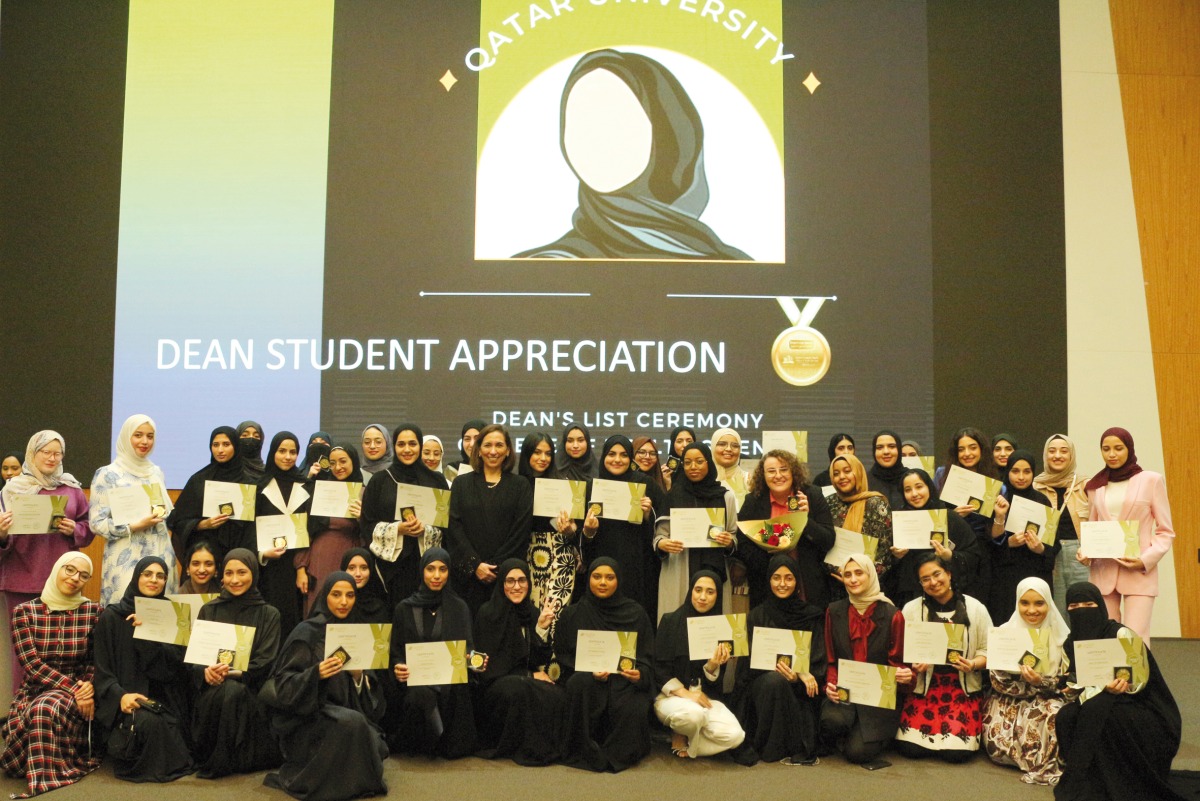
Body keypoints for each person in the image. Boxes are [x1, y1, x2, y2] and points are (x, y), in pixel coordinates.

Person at [513, 48, 749, 260]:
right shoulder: (541, 270)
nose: (594, 138)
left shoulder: (734, 271)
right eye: (580, 119)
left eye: (616, 118)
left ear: (666, 133)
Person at [264, 571, 388, 801]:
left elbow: (374, 696)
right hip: (310, 715)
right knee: (352, 725)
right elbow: (283, 683)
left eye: (350, 595)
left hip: (347, 708)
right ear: (325, 597)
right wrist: (315, 674)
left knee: (374, 742)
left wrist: (359, 677)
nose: (343, 602)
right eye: (336, 595)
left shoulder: (359, 632)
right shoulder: (307, 632)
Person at [1055, 581, 1184, 801]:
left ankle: (1121, 779)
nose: (1081, 611)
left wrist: (1120, 687)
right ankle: (1087, 779)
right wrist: (1071, 687)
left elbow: (1142, 681)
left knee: (1105, 714)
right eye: (1074, 607)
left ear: (1101, 607)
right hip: (1096, 699)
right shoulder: (1070, 643)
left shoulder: (1122, 634)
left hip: (1140, 703)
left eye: (1088, 604)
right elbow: (1074, 681)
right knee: (1066, 716)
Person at [0, 552, 102, 797]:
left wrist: (87, 686)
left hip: (73, 698)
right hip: (35, 689)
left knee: (45, 708)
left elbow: (94, 660)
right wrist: (78, 689)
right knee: (15, 763)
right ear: (57, 568)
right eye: (69, 570)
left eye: (83, 575)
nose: (75, 578)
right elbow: (32, 664)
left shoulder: (93, 611)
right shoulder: (25, 612)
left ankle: (44, 779)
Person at [0, 431, 94, 692]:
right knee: (24, 656)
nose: (52, 458)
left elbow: (88, 530)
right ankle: (23, 713)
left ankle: (57, 708)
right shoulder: (12, 489)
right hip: (22, 581)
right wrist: (2, 533)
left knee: (65, 650)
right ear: (33, 453)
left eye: (57, 453)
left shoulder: (73, 489)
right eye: (46, 452)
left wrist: (73, 529)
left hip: (65, 582)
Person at [93, 555, 195, 782]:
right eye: (147, 574)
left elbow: (176, 667)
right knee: (149, 724)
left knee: (176, 725)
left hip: (166, 692)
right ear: (136, 577)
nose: (154, 580)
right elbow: (102, 671)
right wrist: (121, 696)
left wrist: (149, 636)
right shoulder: (112, 616)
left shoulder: (173, 614)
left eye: (160, 576)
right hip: (127, 696)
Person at [555, 557, 656, 772]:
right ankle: (582, 749)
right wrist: (588, 670)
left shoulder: (635, 613)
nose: (602, 582)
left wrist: (640, 674)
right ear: (588, 579)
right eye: (597, 577)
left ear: (618, 581)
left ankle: (616, 754)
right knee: (578, 683)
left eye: (609, 578)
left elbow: (647, 657)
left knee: (634, 703)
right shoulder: (573, 613)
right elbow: (564, 655)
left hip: (624, 679)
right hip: (587, 677)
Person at [192, 548, 282, 778]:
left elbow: (266, 661)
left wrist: (234, 674)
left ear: (253, 573)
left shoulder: (269, 614)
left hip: (251, 689)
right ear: (221, 576)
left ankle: (220, 760)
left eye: (242, 572)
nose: (234, 579)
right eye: (229, 573)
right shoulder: (209, 609)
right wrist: (205, 672)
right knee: (225, 692)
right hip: (212, 686)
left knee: (232, 691)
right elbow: (195, 658)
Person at [1080, 427, 1173, 643]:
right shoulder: (1096, 486)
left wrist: (1144, 560)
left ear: (1129, 449)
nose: (1112, 454)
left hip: (1139, 571)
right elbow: (1093, 527)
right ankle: (1112, 679)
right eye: (1106, 449)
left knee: (1135, 638)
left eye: (1118, 448)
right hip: (1103, 570)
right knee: (1107, 636)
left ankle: (1139, 679)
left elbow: (1165, 531)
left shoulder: (1151, 480)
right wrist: (1086, 552)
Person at [895, 554, 992, 762]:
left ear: (949, 574)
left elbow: (988, 650)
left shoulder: (976, 609)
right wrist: (914, 664)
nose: (933, 582)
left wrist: (973, 664)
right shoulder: (911, 610)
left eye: (937, 574)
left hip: (961, 688)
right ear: (920, 584)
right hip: (925, 687)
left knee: (956, 754)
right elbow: (901, 651)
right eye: (925, 579)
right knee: (909, 749)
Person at [735, 555, 826, 765]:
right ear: (768, 580)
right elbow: (746, 667)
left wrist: (798, 675)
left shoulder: (811, 616)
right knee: (774, 681)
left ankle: (791, 743)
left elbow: (818, 662)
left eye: (788, 578)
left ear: (797, 582)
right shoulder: (756, 615)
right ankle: (771, 746)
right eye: (776, 577)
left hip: (799, 690)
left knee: (785, 683)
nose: (782, 584)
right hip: (763, 685)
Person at [473, 559, 565, 765]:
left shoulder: (530, 612)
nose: (517, 586)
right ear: (501, 584)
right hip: (494, 686)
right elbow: (489, 668)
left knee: (557, 693)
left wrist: (541, 628)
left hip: (524, 679)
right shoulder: (488, 614)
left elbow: (537, 659)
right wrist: (530, 675)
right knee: (520, 687)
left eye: (522, 580)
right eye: (510, 581)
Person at [388, 548, 478, 758]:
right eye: (430, 569)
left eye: (442, 569)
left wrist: (473, 660)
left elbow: (469, 648)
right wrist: (398, 667)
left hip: (449, 680)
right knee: (422, 695)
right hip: (416, 681)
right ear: (422, 571)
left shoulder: (459, 607)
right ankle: (427, 744)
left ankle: (449, 744)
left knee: (457, 688)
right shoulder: (404, 608)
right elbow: (396, 652)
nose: (437, 576)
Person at [821, 554, 910, 765]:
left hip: (877, 697)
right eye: (848, 574)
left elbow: (898, 662)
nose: (853, 579)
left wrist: (904, 674)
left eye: (859, 573)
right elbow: (831, 658)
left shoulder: (892, 614)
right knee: (830, 722)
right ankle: (852, 726)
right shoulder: (834, 611)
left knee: (857, 753)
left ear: (870, 575)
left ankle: (863, 732)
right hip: (846, 691)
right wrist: (830, 684)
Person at [981, 577, 1071, 785]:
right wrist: (1028, 684)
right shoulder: (1004, 633)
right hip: (1008, 699)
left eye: (1039, 603)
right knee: (999, 746)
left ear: (1049, 603)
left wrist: (1040, 682)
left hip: (1046, 698)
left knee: (1054, 713)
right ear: (1016, 603)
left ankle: (1042, 763)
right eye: (1025, 603)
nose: (1032, 610)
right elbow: (996, 681)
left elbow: (1065, 683)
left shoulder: (1060, 638)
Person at [653, 569, 745, 759]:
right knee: (693, 715)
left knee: (736, 736)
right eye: (698, 590)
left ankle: (693, 744)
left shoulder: (722, 627)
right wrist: (686, 694)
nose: (702, 597)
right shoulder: (670, 621)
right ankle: (682, 731)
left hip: (704, 699)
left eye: (710, 592)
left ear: (718, 596)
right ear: (690, 592)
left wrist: (712, 665)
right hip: (671, 698)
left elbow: (714, 687)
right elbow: (658, 670)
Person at [444, 424, 533, 616]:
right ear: (479, 450)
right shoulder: (461, 483)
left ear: (508, 450)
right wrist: (475, 565)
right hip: (468, 580)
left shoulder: (520, 485)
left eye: (499, 445)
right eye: (487, 445)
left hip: (506, 581)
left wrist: (496, 568)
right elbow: (454, 527)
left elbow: (520, 532)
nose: (493, 451)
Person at [732, 449, 836, 610]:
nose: (778, 475)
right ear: (763, 475)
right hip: (766, 585)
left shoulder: (812, 495)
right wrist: (773, 564)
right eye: (771, 471)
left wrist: (805, 519)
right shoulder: (753, 501)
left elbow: (828, 540)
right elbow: (743, 545)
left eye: (784, 469)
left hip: (808, 584)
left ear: (793, 471)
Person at [90, 414, 177, 604]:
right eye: (138, 435)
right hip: (125, 557)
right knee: (124, 617)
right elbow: (97, 523)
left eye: (150, 436)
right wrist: (133, 526)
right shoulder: (107, 474)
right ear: (126, 437)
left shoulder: (156, 472)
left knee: (158, 619)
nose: (145, 441)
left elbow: (162, 508)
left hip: (160, 551)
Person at [360, 425, 450, 604]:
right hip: (391, 570)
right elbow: (366, 524)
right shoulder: (380, 481)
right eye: (401, 444)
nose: (407, 449)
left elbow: (448, 526)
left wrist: (426, 529)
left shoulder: (436, 481)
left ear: (420, 446)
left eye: (412, 444)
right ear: (394, 446)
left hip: (429, 568)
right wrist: (397, 529)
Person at [581, 435, 662, 620]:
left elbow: (662, 530)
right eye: (611, 454)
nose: (617, 460)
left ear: (630, 459)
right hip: (601, 563)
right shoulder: (591, 487)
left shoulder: (645, 484)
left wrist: (649, 514)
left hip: (636, 568)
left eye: (624, 455)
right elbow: (582, 539)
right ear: (603, 458)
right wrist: (588, 531)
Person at [886, 469, 988, 609]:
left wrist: (951, 556)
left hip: (949, 595)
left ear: (929, 487)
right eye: (908, 490)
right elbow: (887, 567)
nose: (914, 494)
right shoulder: (900, 521)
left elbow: (974, 555)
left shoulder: (949, 518)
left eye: (919, 486)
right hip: (912, 597)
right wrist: (897, 557)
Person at [655, 442, 736, 620]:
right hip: (679, 566)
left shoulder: (725, 496)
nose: (693, 467)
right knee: (677, 625)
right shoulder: (673, 495)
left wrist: (728, 540)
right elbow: (660, 536)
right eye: (688, 462)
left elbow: (734, 535)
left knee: (712, 629)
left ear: (709, 462)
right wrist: (663, 544)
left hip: (713, 567)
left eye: (699, 461)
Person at [988, 450, 1059, 623]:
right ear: (1007, 472)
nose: (1021, 477)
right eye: (1015, 471)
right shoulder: (998, 500)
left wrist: (1040, 548)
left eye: (1027, 472)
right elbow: (989, 542)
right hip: (1005, 577)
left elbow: (1053, 544)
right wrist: (1008, 542)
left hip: (1035, 573)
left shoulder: (1042, 501)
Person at [166, 426, 251, 565]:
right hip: (204, 560)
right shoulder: (199, 480)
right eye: (215, 445)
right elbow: (177, 521)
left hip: (239, 558)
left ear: (236, 446)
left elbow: (252, 528)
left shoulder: (248, 484)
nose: (220, 450)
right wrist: (202, 524)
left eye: (226, 444)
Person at [253, 432, 309, 638]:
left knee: (295, 622)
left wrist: (302, 568)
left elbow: (309, 531)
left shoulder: (306, 486)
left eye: (293, 452)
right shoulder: (259, 487)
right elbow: (251, 530)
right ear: (272, 453)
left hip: (297, 568)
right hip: (269, 569)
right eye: (282, 451)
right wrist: (263, 554)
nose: (288, 456)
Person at [297, 443, 364, 616]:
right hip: (319, 559)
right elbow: (305, 530)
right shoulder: (321, 490)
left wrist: (362, 517)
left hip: (349, 557)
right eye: (332, 463)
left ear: (354, 462)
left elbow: (371, 532)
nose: (338, 467)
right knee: (318, 608)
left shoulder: (364, 492)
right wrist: (301, 568)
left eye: (343, 461)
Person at [517, 432, 579, 617]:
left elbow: (573, 527)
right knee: (532, 614)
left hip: (561, 554)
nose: (543, 458)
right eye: (537, 452)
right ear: (527, 454)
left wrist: (570, 530)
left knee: (555, 616)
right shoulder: (516, 484)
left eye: (548, 453)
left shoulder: (562, 484)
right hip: (527, 553)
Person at [1032, 434, 1091, 617]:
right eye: (1052, 451)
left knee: (1083, 607)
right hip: (1050, 555)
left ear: (1071, 455)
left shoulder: (1086, 485)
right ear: (1045, 455)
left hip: (1080, 555)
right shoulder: (1035, 486)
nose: (1057, 455)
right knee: (1055, 611)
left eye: (1064, 451)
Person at [826, 454, 894, 586]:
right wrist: (839, 572)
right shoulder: (828, 503)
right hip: (835, 583)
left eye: (847, 471)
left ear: (858, 472)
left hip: (871, 583)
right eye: (836, 473)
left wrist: (862, 578)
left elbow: (884, 551)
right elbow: (823, 545)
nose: (842, 477)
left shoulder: (876, 504)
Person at [935, 427, 995, 542]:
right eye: (961, 449)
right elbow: (932, 511)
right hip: (951, 541)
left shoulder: (992, 483)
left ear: (982, 450)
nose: (967, 454)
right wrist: (954, 515)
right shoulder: (942, 474)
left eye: (973, 448)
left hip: (982, 544)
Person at [340, 547, 391, 624]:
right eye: (351, 568)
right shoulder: (335, 601)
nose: (358, 574)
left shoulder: (380, 608)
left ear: (371, 571)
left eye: (364, 568)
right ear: (344, 570)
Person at [866, 429, 906, 510]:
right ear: (874, 451)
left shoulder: (911, 478)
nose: (886, 451)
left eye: (891, 446)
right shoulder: (864, 481)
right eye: (879, 447)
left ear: (899, 449)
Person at [710, 427, 748, 508]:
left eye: (735, 446)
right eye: (722, 444)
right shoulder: (704, 479)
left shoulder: (749, 479)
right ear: (713, 447)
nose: (728, 449)